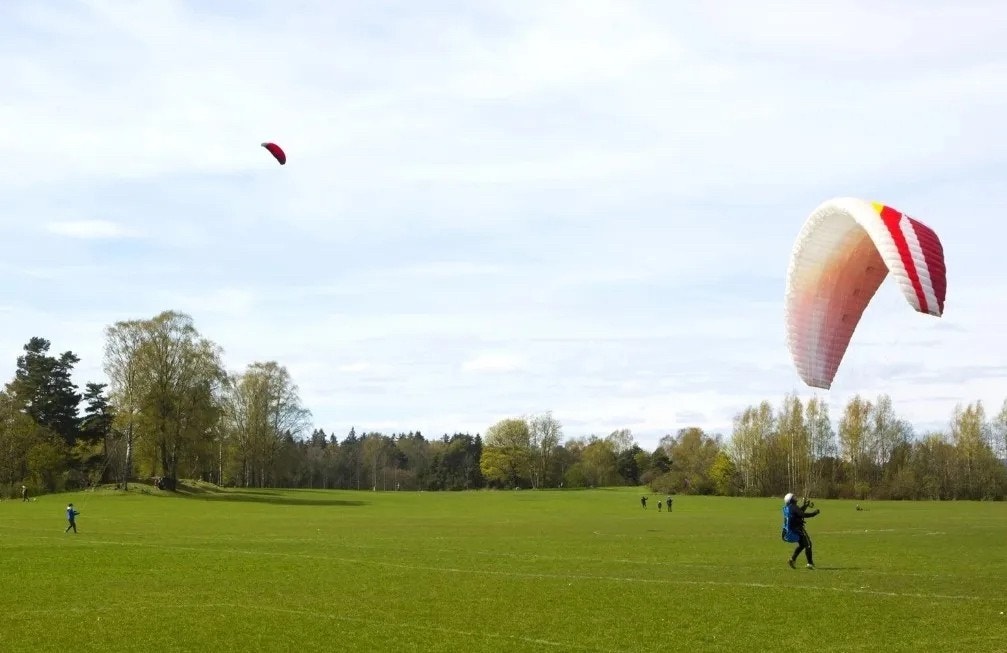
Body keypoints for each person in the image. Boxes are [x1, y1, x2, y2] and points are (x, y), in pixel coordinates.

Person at [782, 492, 819, 569]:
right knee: (808, 544)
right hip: (798, 529)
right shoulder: (794, 507)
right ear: (791, 500)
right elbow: (802, 514)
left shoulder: (790, 507)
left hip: (792, 530)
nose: (795, 498)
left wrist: (805, 505)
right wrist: (814, 513)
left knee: (802, 545)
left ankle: (792, 560)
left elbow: (798, 512)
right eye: (794, 497)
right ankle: (810, 563)